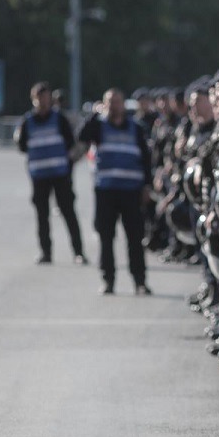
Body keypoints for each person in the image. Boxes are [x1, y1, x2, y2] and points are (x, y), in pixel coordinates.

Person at [78, 88, 152, 295]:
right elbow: (82, 136)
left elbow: (146, 159)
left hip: (131, 191)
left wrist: (147, 185)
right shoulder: (98, 126)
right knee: (106, 238)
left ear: (124, 104)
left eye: (118, 102)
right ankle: (108, 280)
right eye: (110, 102)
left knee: (135, 239)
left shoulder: (136, 128)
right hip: (106, 191)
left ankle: (140, 281)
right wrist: (94, 114)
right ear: (104, 105)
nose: (114, 106)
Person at [15, 81, 85, 265]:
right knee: (42, 216)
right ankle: (46, 252)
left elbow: (70, 143)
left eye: (46, 98)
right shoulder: (27, 121)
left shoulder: (59, 119)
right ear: (33, 100)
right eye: (39, 98)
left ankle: (79, 252)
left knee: (69, 212)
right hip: (39, 176)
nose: (43, 102)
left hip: (60, 174)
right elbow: (21, 146)